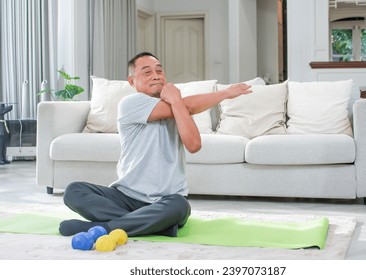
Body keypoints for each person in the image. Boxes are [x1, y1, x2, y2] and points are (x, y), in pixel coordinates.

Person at [59, 52, 252, 237]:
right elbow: (189, 105)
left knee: (179, 206)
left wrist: (177, 101)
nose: (156, 76)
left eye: (159, 71)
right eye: (147, 72)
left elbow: (194, 145)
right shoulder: (130, 103)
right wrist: (225, 93)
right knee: (74, 191)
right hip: (125, 197)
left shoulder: (178, 107)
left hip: (165, 201)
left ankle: (106, 227)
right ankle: (155, 226)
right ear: (132, 81)